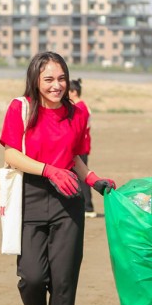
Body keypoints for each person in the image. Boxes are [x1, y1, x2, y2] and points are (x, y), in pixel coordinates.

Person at [0, 52, 116, 305]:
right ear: (36, 79)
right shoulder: (20, 108)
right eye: (49, 79)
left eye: (61, 78)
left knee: (64, 280)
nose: (56, 85)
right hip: (30, 196)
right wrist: (49, 171)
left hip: (68, 202)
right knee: (32, 277)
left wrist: (93, 181)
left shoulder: (76, 113)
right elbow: (10, 154)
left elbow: (75, 156)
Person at [68, 79, 96, 219]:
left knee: (83, 176)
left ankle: (88, 207)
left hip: (81, 147)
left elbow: (78, 129)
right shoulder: (80, 106)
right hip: (81, 146)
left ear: (73, 92)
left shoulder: (81, 107)